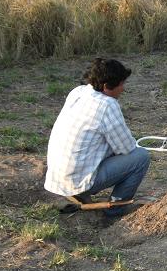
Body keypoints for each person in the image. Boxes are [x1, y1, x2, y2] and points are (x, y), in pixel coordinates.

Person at [44, 58, 150, 217]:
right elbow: (127, 148)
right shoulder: (107, 105)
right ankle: (115, 210)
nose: (123, 89)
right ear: (107, 86)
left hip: (58, 176)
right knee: (141, 157)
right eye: (121, 84)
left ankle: (77, 194)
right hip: (76, 179)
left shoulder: (78, 92)